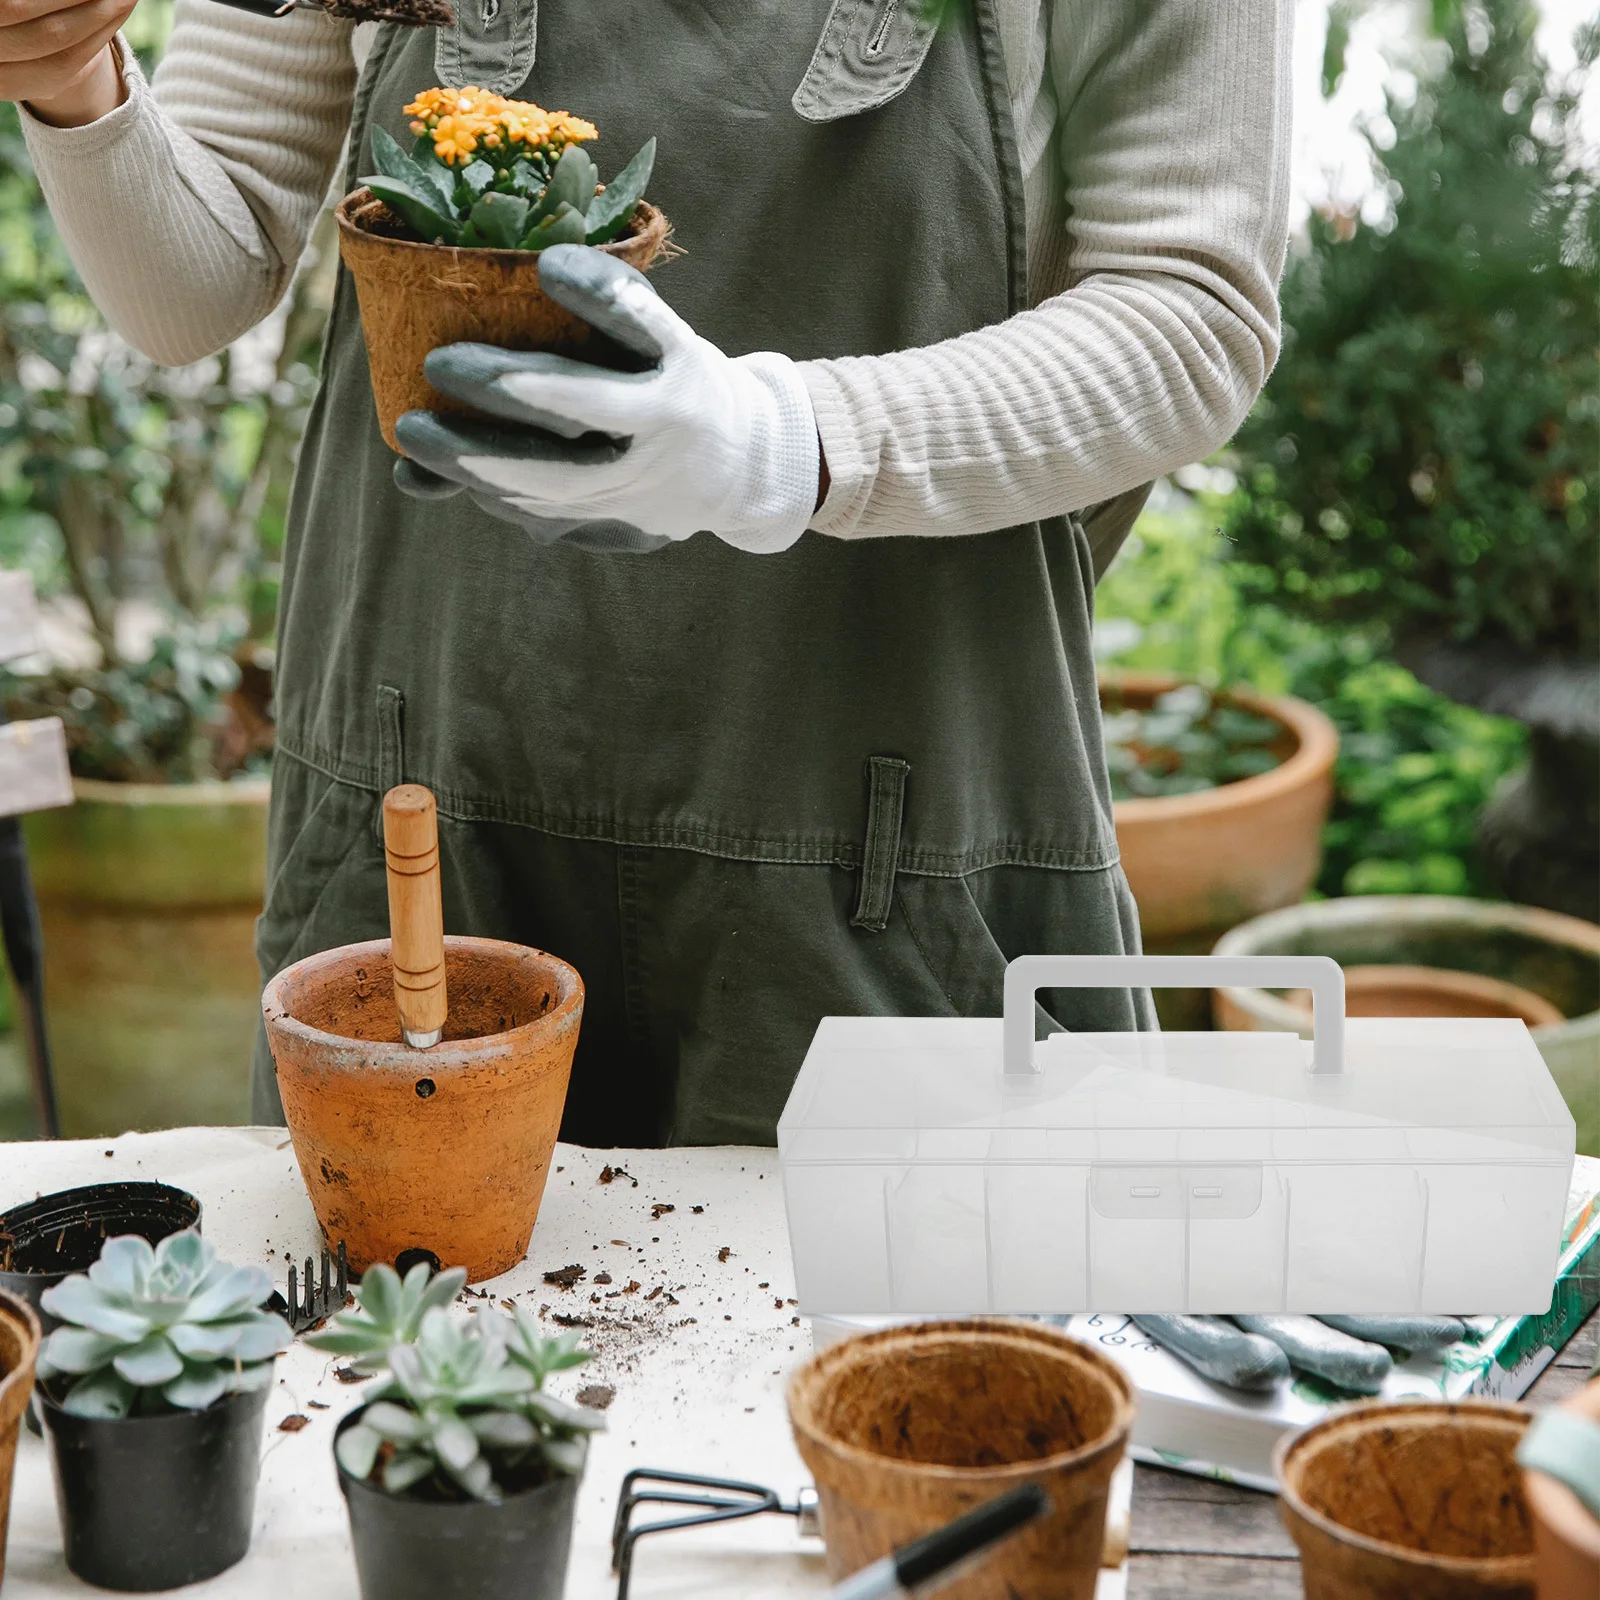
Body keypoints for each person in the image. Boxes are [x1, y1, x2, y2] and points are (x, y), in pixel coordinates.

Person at [4, 0, 1290, 1146]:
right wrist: (74, 78)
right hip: (425, 813)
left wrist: (775, 447)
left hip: (883, 835)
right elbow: (194, 280)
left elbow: (1188, 305)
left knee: (880, 1384)